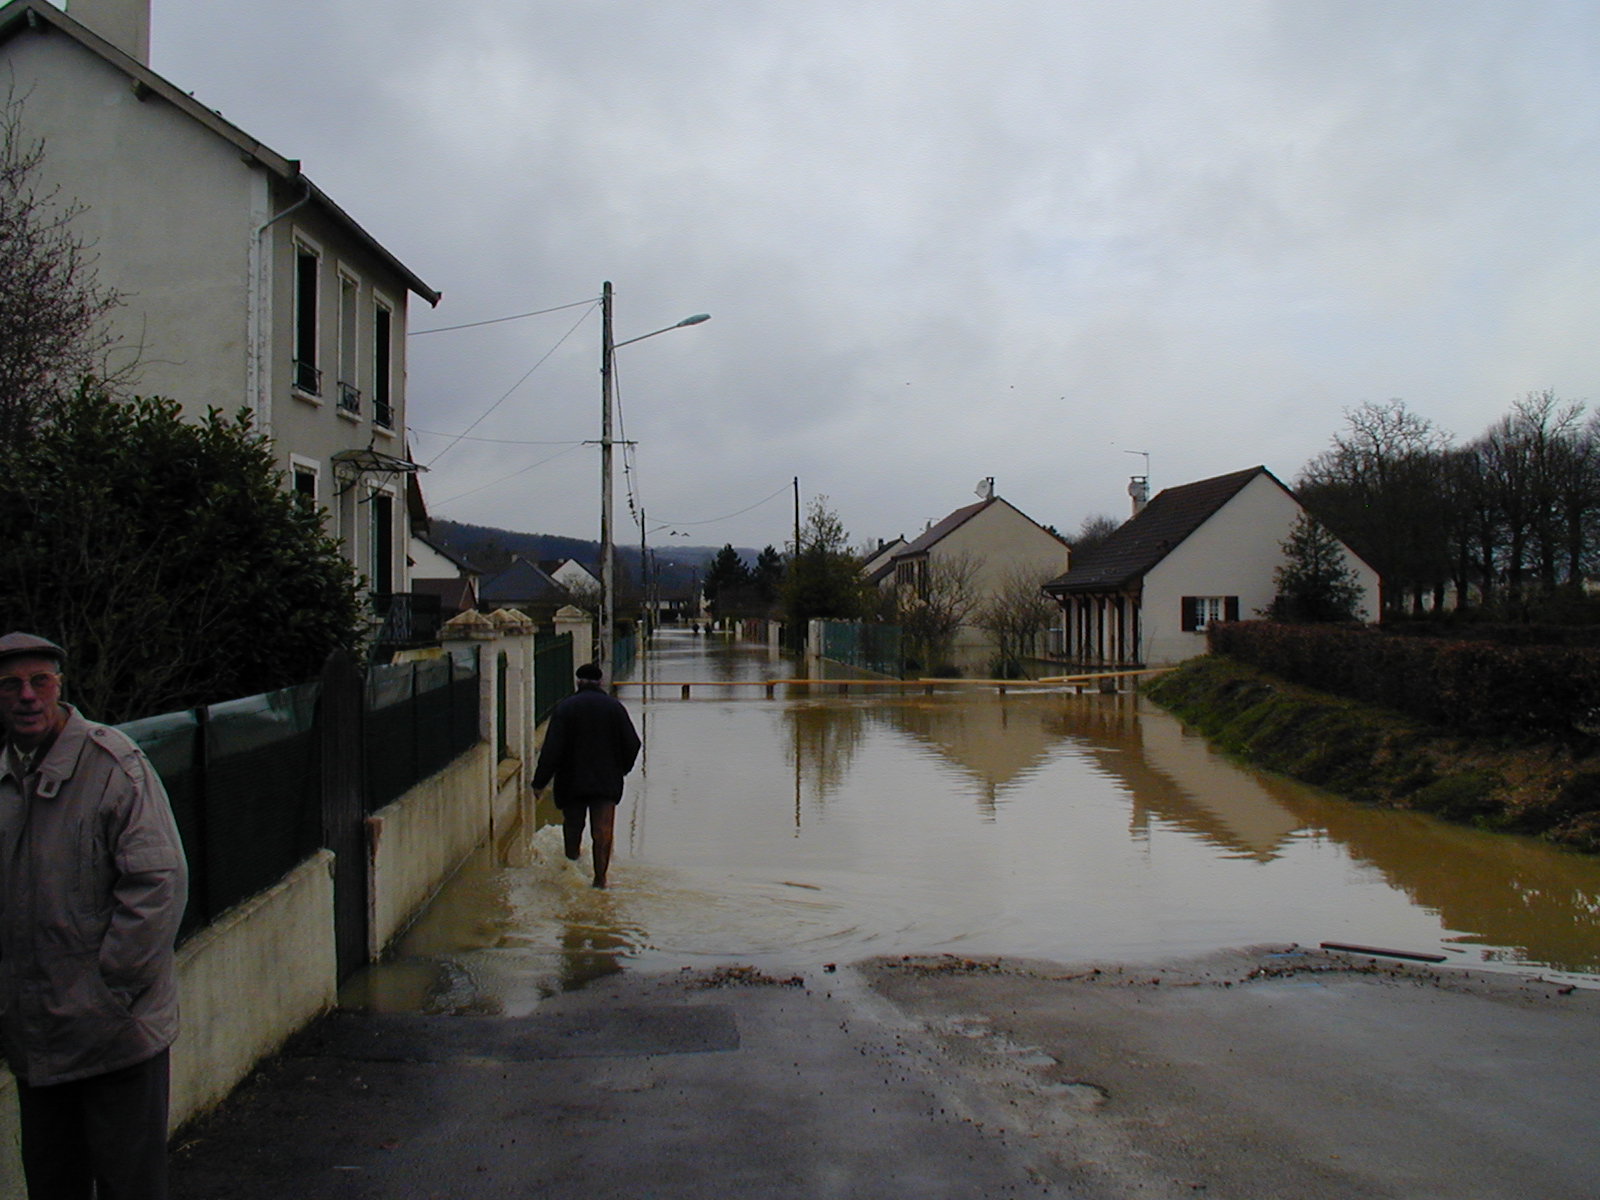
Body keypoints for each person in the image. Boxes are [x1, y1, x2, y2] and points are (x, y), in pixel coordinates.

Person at [0, 632, 189, 1200]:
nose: (26, 696)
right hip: (37, 1036)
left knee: (128, 1184)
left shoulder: (115, 766)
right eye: (10, 685)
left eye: (40, 681)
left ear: (60, 687)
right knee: (52, 1183)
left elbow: (158, 882)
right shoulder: (4, 779)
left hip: (117, 1034)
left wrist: (110, 988)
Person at [531, 662, 641, 889]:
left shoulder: (565, 708)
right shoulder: (614, 707)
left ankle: (571, 869)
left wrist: (539, 782)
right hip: (606, 781)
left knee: (573, 825)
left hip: (572, 781)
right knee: (602, 830)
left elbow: (551, 749)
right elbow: (633, 743)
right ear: (600, 682)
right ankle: (600, 879)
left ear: (577, 682)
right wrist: (621, 769)